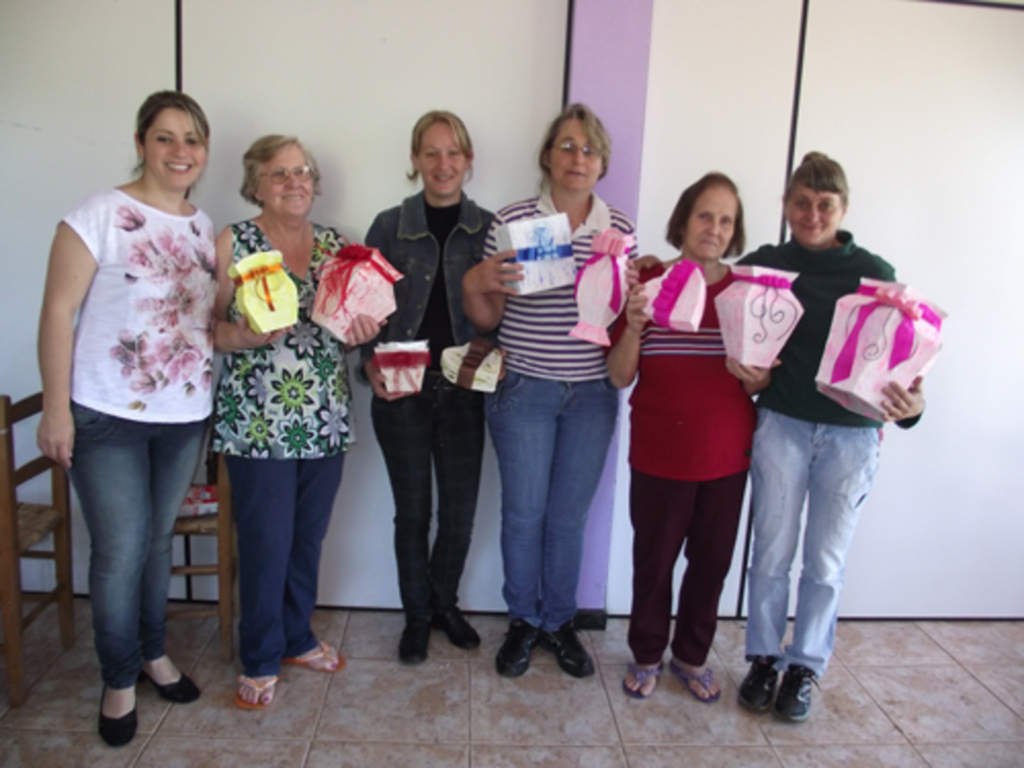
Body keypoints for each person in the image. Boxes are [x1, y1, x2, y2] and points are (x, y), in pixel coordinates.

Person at [36, 91, 214, 747]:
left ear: (204, 151)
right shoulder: (99, 214)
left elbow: (205, 321)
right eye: (165, 137)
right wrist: (58, 410)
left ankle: (152, 653)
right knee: (118, 551)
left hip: (184, 414)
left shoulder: (202, 226)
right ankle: (117, 678)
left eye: (191, 139)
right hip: (106, 414)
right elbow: (57, 312)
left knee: (157, 542)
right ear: (141, 143)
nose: (179, 151)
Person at [731, 152, 925, 722]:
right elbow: (715, 290)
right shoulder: (765, 265)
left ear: (842, 208)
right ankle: (764, 657)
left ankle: (805, 666)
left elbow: (906, 361)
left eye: (824, 204)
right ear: (786, 205)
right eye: (801, 202)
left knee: (825, 562)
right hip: (783, 424)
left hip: (851, 438)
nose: (812, 214)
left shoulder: (875, 274)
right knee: (770, 552)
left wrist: (912, 409)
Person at [463, 103, 636, 679]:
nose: (577, 158)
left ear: (602, 162)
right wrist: (481, 282)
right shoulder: (512, 220)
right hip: (525, 390)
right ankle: (523, 620)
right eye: (566, 146)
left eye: (588, 149)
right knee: (523, 514)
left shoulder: (621, 231)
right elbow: (486, 318)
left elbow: (621, 321)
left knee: (567, 519)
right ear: (546, 156)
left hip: (591, 395)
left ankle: (559, 621)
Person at [211, 135, 379, 710]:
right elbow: (207, 327)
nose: (293, 181)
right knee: (265, 541)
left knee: (307, 537)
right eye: (278, 173)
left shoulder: (336, 243)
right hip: (257, 420)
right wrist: (243, 335)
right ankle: (259, 654)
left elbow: (357, 319)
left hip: (326, 417)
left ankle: (296, 636)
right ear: (255, 184)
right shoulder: (236, 240)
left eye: (302, 171)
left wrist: (365, 332)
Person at [607, 173, 760, 701]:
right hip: (658, 453)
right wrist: (631, 325)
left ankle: (691, 658)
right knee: (653, 564)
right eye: (704, 215)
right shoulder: (647, 282)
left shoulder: (749, 294)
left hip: (726, 456)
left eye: (726, 220)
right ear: (683, 220)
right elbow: (619, 375)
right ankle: (647, 655)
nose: (714, 228)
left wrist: (756, 376)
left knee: (711, 565)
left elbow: (762, 379)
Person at [361, 111, 494, 665]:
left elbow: (506, 310)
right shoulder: (389, 226)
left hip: (465, 387)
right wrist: (367, 362)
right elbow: (362, 308)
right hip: (402, 390)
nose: (443, 164)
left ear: (468, 161)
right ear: (415, 160)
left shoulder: (490, 228)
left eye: (453, 153)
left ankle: (445, 604)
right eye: (431, 153)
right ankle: (416, 616)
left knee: (460, 513)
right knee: (413, 513)